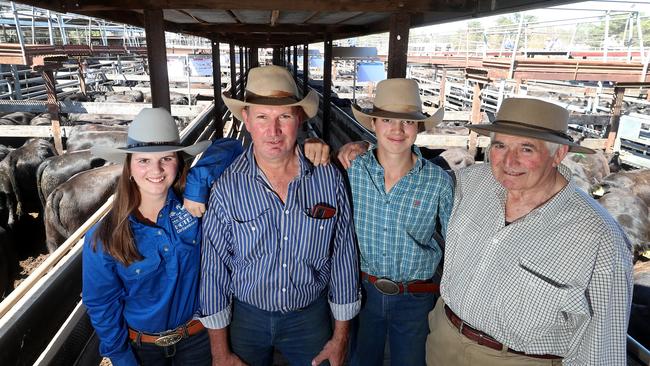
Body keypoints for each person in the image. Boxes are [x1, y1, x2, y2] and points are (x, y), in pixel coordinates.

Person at [425, 98, 633, 365]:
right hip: (444, 338)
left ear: (559, 154)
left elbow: (602, 350)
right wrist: (366, 152)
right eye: (500, 145)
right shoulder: (472, 182)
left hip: (520, 359)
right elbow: (411, 178)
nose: (508, 161)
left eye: (526, 149)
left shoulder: (601, 238)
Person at [199, 65, 360, 366]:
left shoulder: (328, 179)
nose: (273, 131)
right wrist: (220, 352)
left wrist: (340, 338)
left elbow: (343, 259)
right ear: (246, 120)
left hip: (310, 315)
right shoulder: (227, 188)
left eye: (284, 116)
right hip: (246, 317)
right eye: (262, 117)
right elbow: (214, 271)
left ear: (299, 118)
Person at [82, 108, 218, 365]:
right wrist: (122, 357)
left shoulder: (194, 211)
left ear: (178, 163)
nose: (156, 169)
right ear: (130, 168)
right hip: (142, 350)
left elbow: (230, 146)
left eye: (166, 158)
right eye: (144, 160)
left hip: (197, 339)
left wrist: (199, 180)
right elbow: (101, 304)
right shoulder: (104, 237)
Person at [344, 78, 453, 366]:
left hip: (415, 298)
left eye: (407, 122)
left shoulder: (437, 181)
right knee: (360, 360)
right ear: (374, 124)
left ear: (418, 127)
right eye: (387, 120)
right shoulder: (353, 169)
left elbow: (454, 239)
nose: (397, 129)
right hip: (362, 290)